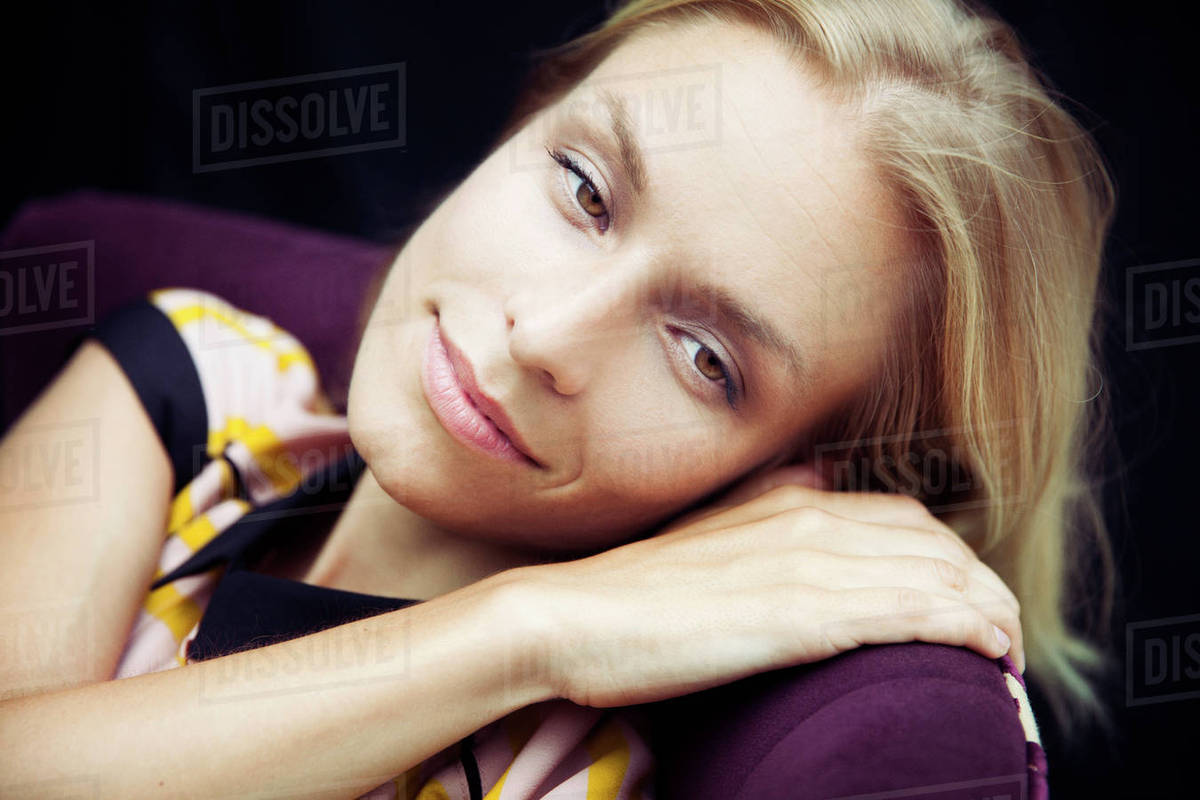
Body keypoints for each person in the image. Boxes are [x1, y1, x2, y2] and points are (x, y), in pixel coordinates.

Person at [0, 0, 1114, 797]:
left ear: (792, 487)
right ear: (528, 119)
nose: (543, 334)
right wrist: (523, 627)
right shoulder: (196, 375)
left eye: (704, 356)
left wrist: (532, 654)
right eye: (583, 187)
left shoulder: (570, 772)